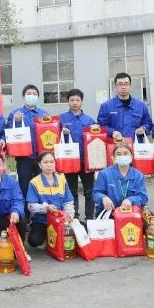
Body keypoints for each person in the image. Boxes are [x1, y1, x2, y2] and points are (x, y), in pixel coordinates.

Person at [6, 84, 48, 202]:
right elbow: (10, 132)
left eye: (34, 94)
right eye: (29, 94)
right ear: (23, 96)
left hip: (41, 156)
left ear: (38, 97)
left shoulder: (43, 113)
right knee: (24, 186)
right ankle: (25, 211)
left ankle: (41, 210)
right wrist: (17, 121)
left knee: (41, 186)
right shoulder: (15, 113)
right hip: (23, 157)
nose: (31, 96)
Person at [60, 89, 98, 221]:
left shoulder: (89, 120)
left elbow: (95, 138)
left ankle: (89, 218)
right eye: (72, 100)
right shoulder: (61, 119)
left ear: (82, 101)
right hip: (69, 161)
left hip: (86, 161)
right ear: (68, 102)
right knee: (71, 192)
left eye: (77, 100)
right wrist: (63, 133)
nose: (75, 102)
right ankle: (74, 218)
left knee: (89, 191)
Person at [26, 152, 75, 249]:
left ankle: (53, 239)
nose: (49, 165)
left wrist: (69, 215)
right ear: (40, 164)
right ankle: (47, 238)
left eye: (52, 162)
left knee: (84, 228)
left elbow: (68, 201)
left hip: (61, 219)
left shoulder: (62, 180)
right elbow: (31, 206)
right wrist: (46, 208)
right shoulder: (34, 182)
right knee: (34, 240)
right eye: (45, 162)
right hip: (42, 220)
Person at [93, 142, 149, 216]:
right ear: (114, 158)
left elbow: (143, 197)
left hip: (131, 213)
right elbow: (96, 193)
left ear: (131, 156)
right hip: (109, 214)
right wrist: (103, 198)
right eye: (119, 154)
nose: (122, 156)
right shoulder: (104, 174)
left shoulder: (138, 175)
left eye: (125, 153)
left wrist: (130, 200)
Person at [97, 72, 152, 141]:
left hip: (135, 144)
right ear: (115, 86)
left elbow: (148, 123)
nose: (123, 87)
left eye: (126, 84)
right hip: (114, 145)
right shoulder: (106, 106)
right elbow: (101, 125)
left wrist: (144, 129)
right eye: (120, 84)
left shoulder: (141, 105)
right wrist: (112, 132)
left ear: (130, 86)